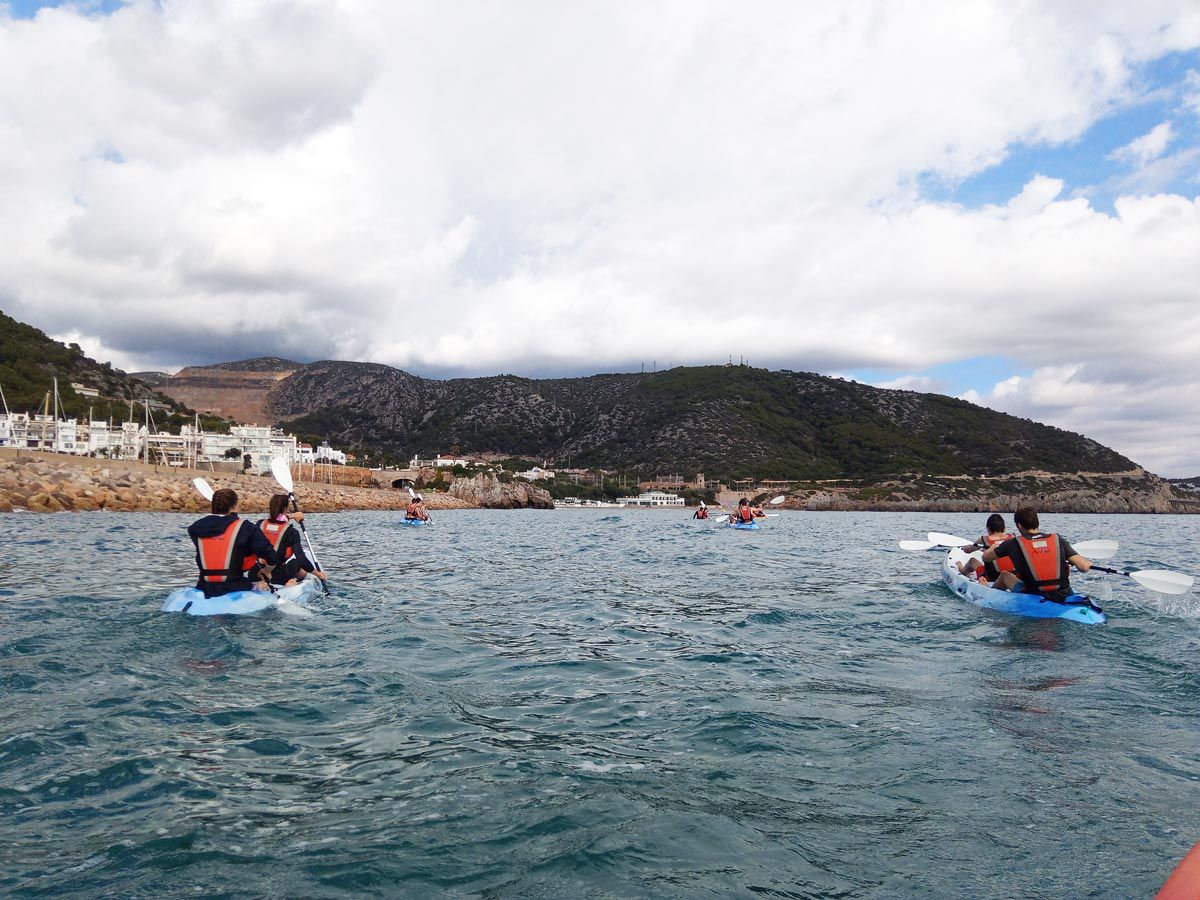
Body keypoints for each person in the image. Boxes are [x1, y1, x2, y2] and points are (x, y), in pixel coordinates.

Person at [981, 506, 1093, 602]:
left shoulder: (1013, 543)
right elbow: (1084, 567)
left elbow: (986, 557)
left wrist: (992, 548)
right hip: (1063, 594)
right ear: (1037, 523)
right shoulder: (1057, 539)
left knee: (1004, 575)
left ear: (1019, 526)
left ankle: (989, 593)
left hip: (1033, 594)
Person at [187, 488, 280, 598]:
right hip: (235, 586)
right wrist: (267, 570)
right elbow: (271, 556)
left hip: (205, 587)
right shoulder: (247, 528)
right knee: (263, 586)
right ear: (234, 506)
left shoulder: (194, 529)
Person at [253, 493, 327, 586]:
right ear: (286, 509)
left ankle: (262, 583)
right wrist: (319, 574)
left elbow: (274, 520)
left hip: (255, 572)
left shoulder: (259, 524)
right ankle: (291, 582)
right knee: (297, 564)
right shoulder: (291, 532)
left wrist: (291, 516)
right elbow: (302, 560)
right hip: (277, 576)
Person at [956, 513, 1015, 585]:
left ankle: (962, 571)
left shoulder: (984, 540)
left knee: (972, 561)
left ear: (987, 528)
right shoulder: (1012, 538)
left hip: (992, 577)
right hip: (1012, 575)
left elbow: (967, 550)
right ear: (1004, 528)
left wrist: (965, 547)